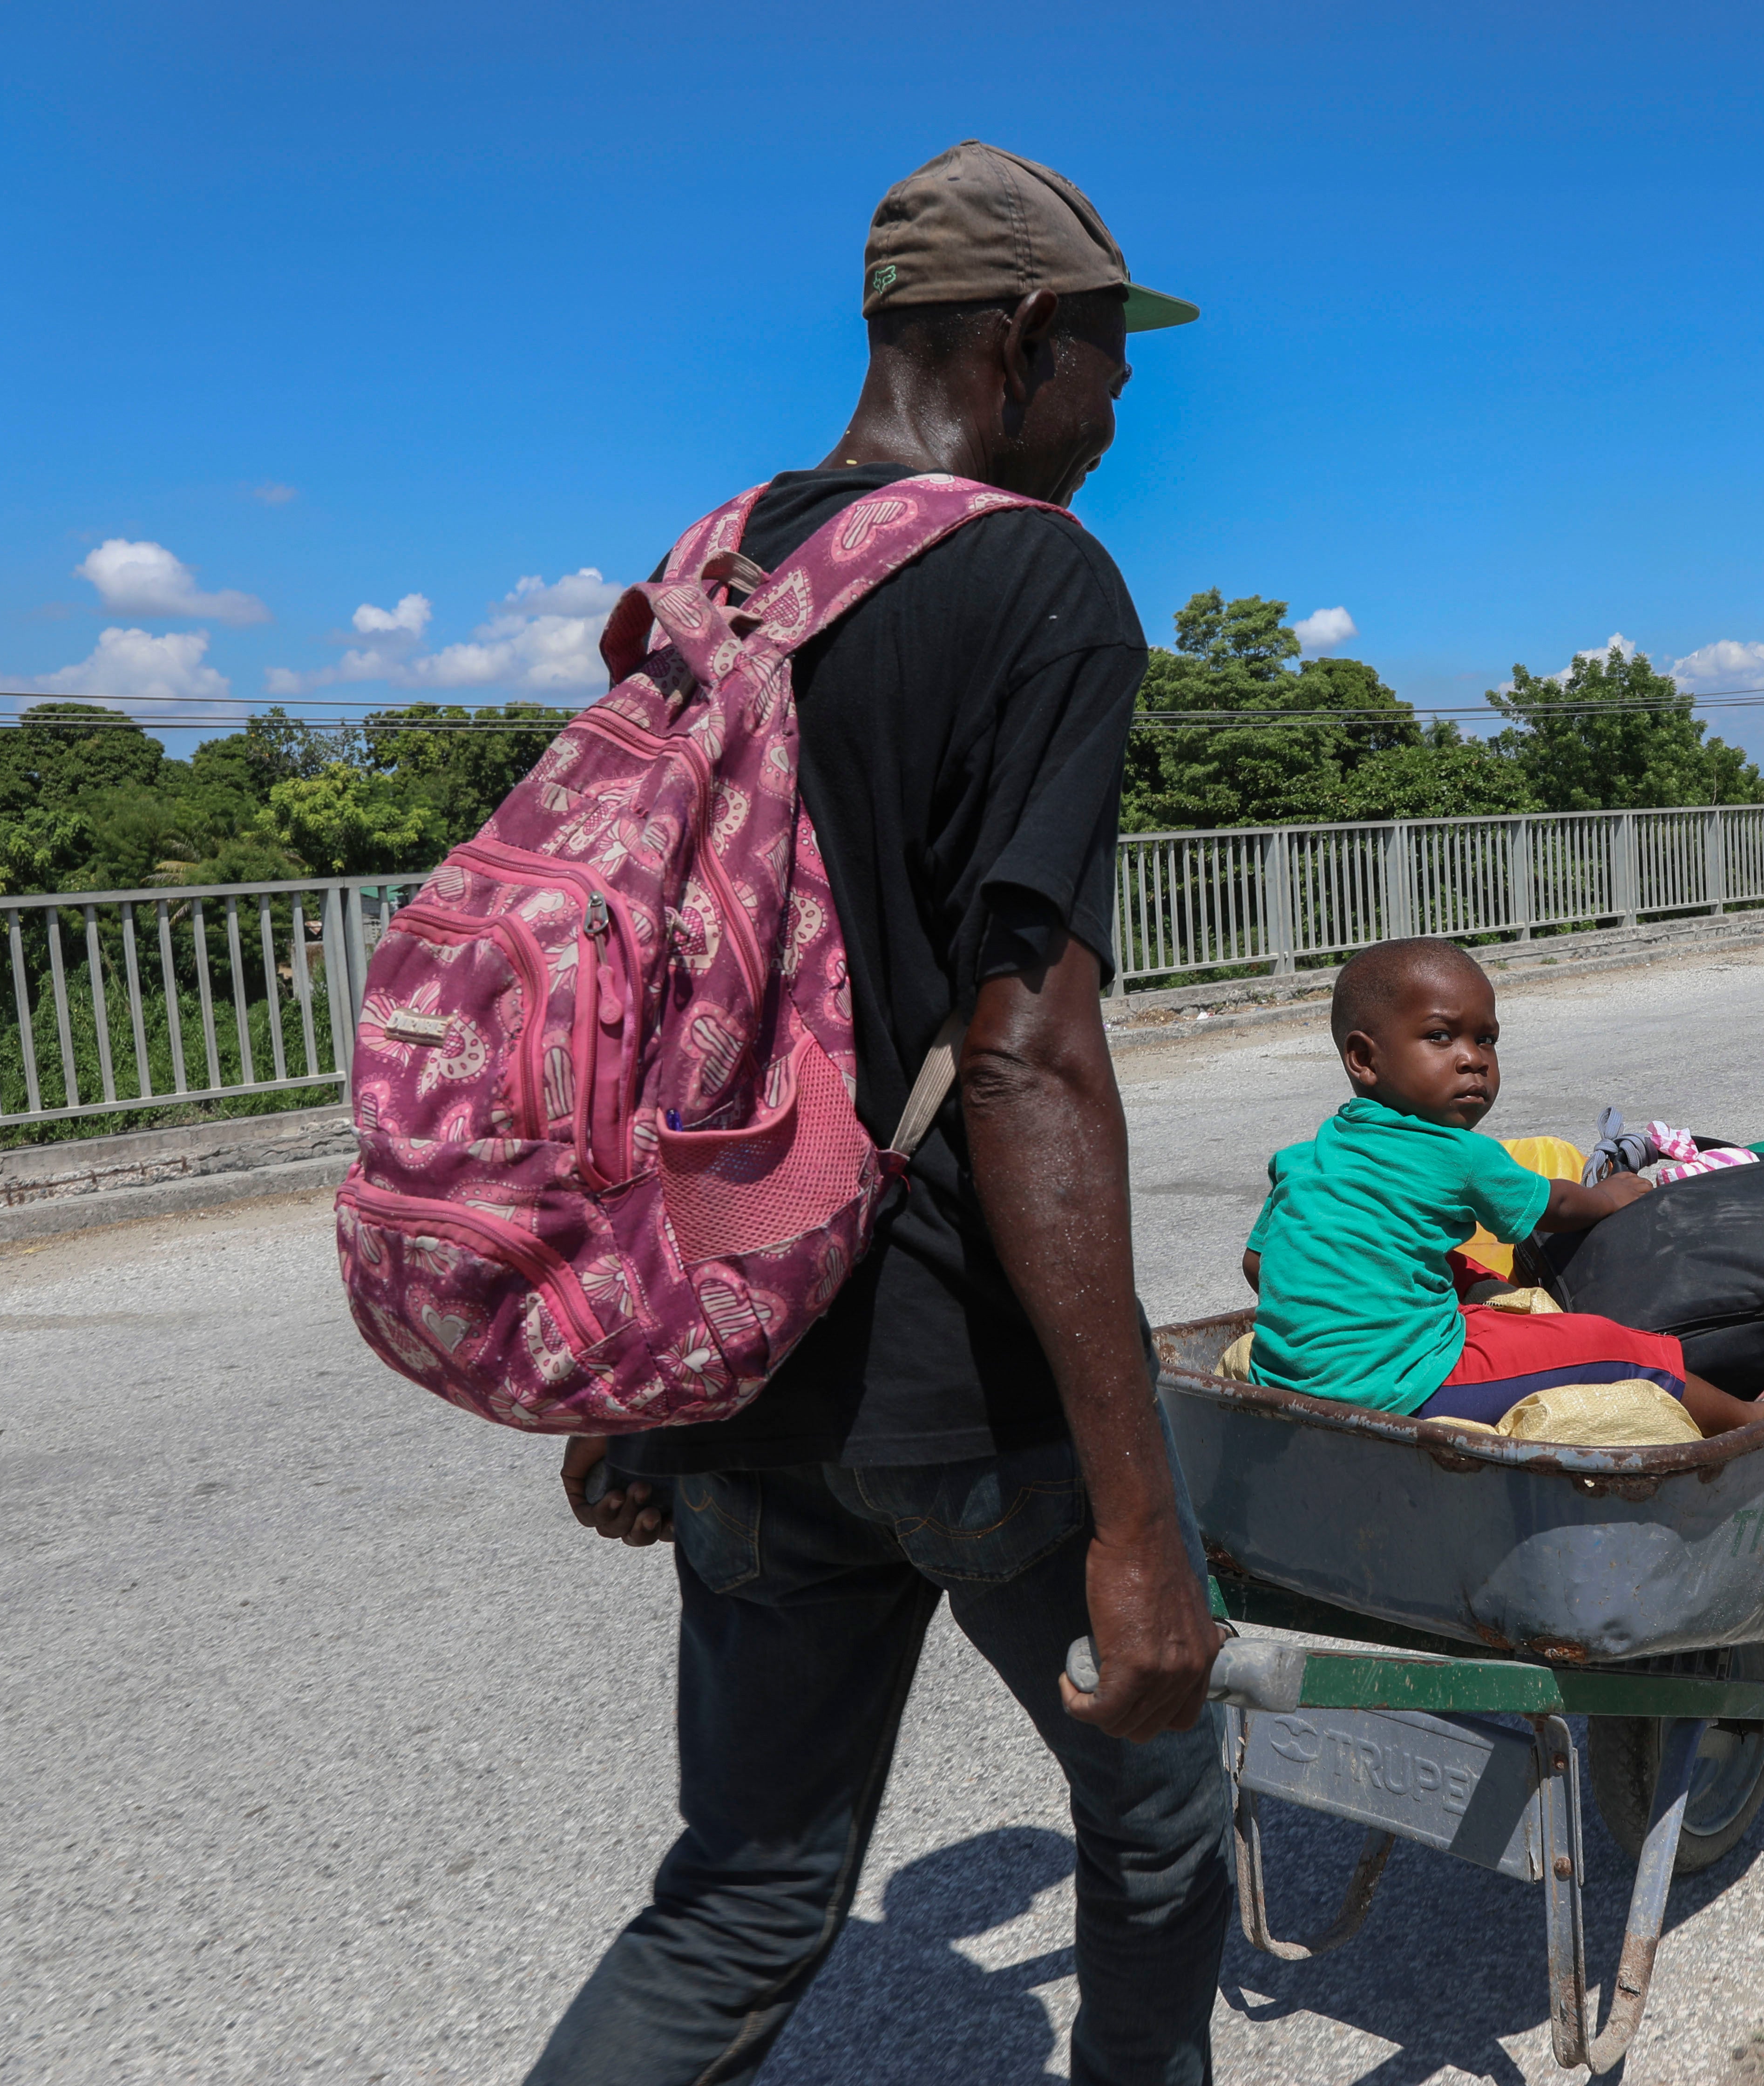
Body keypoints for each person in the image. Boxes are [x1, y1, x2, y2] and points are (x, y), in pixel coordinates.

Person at [534, 142, 1228, 2086]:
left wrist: (629, 1369)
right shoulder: (1038, 578)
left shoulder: (719, 570)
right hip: (959, 1371)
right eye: (1105, 368)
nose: (1111, 418)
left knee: (747, 1897)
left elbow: (643, 999)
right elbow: (1023, 1050)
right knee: (1162, 1806)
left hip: (734, 1353)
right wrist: (1137, 1512)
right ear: (1019, 343)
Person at [1237, 937, 1764, 1436]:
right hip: (1402, 1384)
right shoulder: (1459, 1155)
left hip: (1287, 1374)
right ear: (1364, 1057)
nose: (1473, 1061)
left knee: (1452, 1269)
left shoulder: (1305, 1157)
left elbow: (1259, 1264)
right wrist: (1610, 1196)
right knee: (1611, 1345)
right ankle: (1750, 1418)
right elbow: (1554, 1205)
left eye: (1486, 1040)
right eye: (1441, 1037)